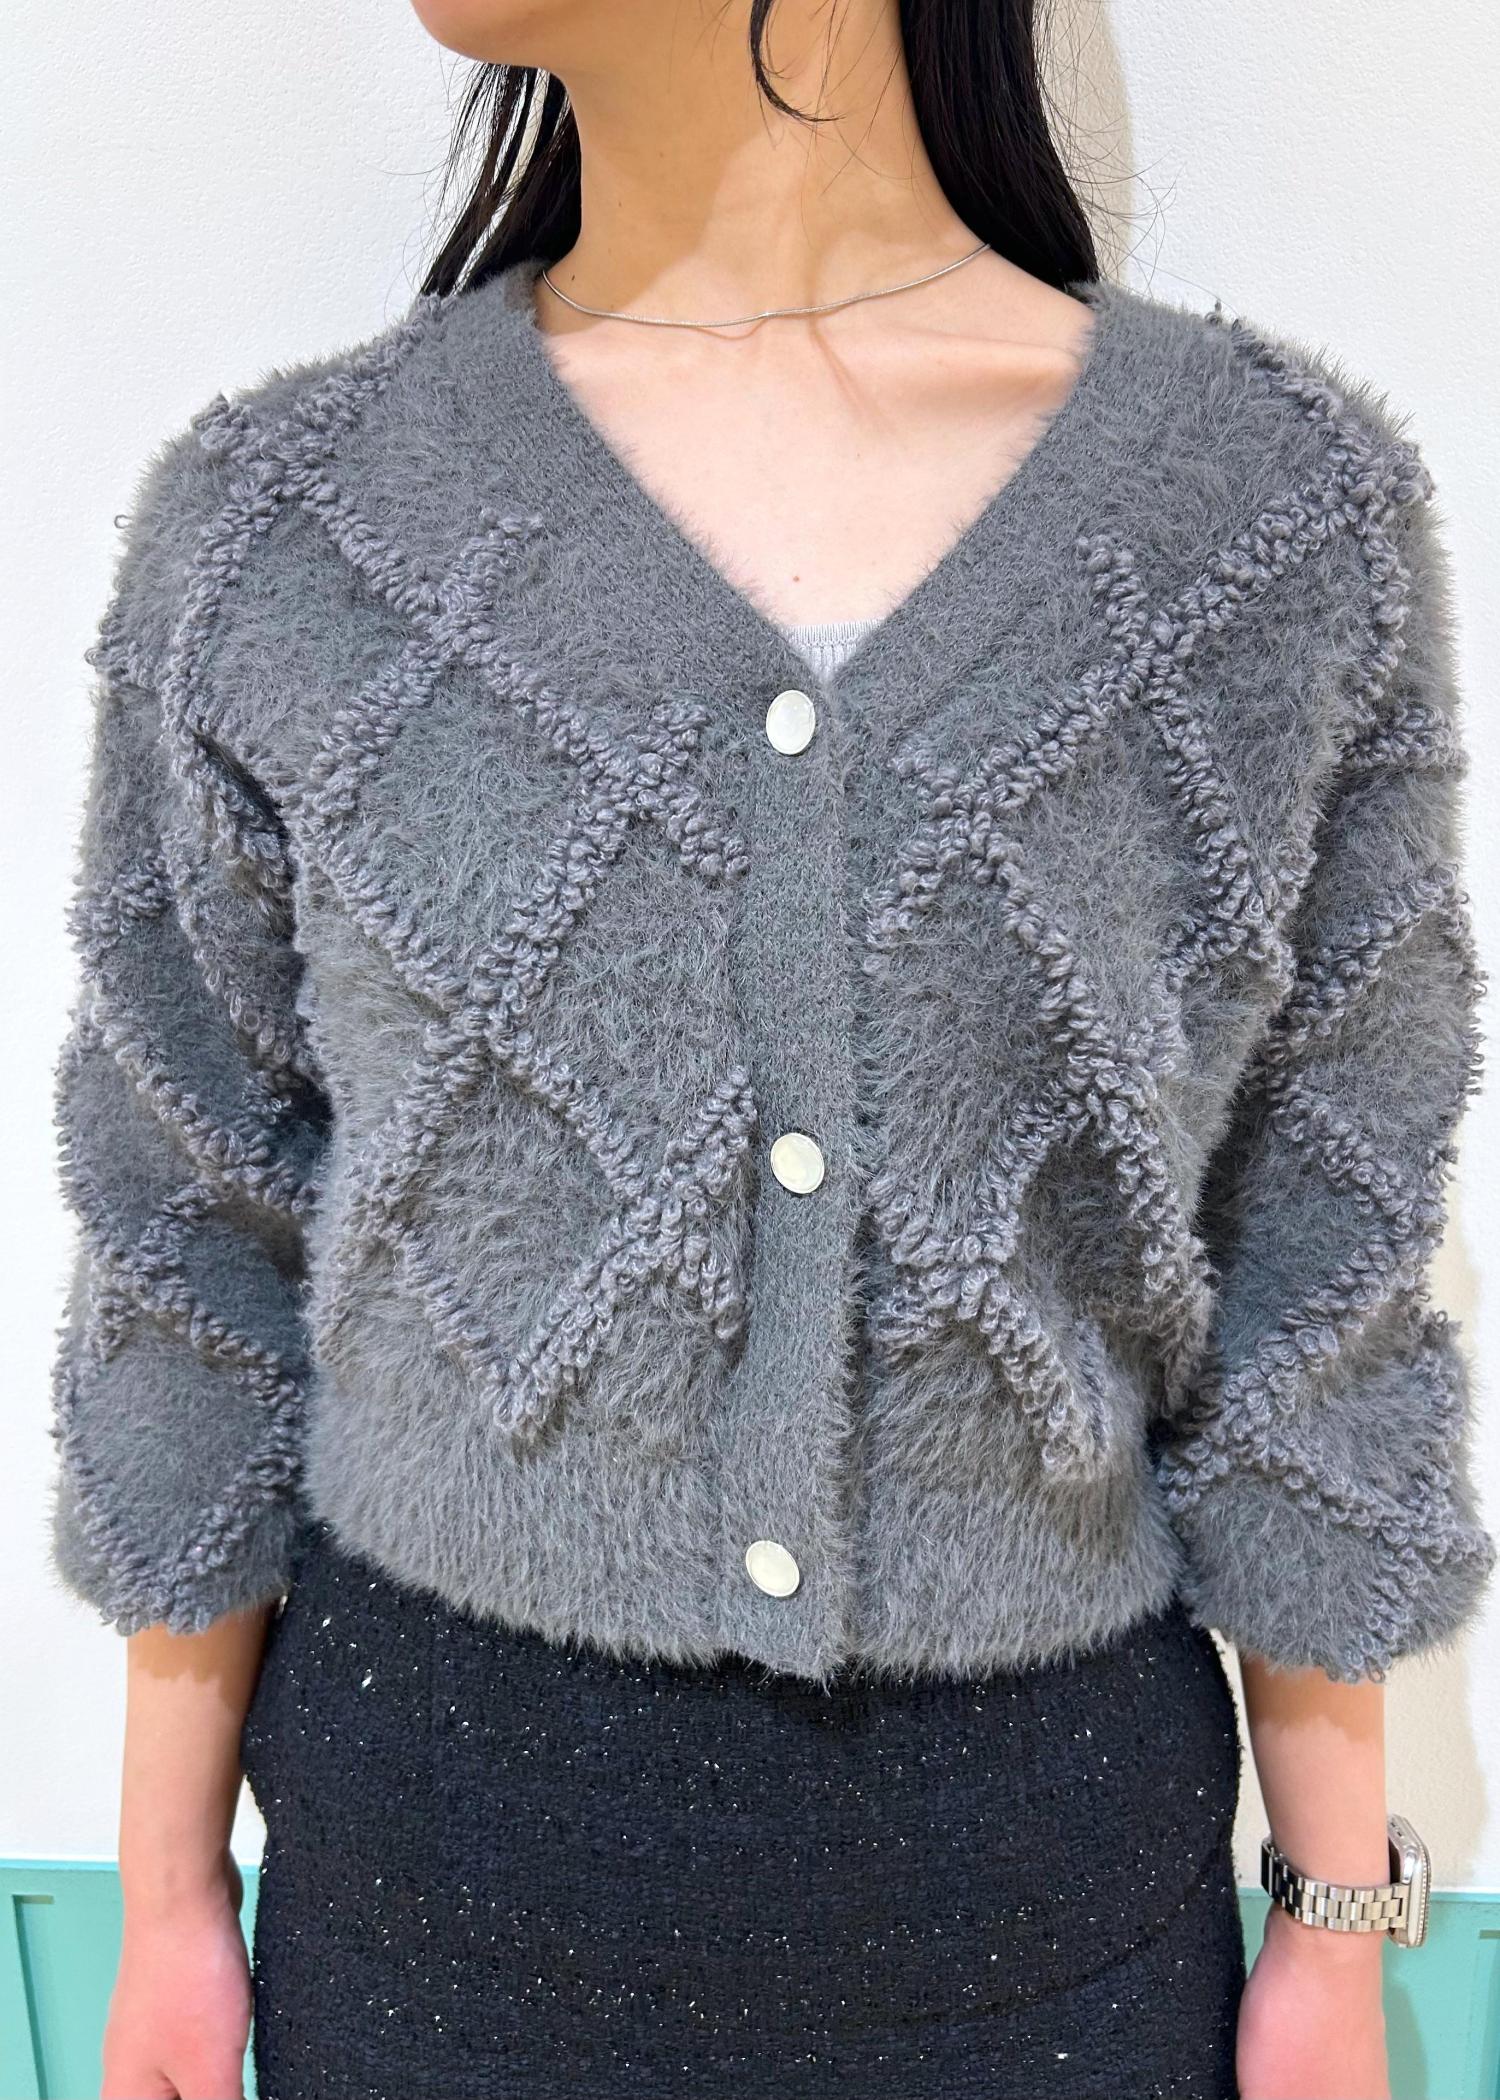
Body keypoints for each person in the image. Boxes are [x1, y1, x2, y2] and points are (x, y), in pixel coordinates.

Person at [48, 2, 1491, 2097]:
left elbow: (1316, 1276)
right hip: (430, 1927)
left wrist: (1336, 1938)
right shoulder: (283, 529)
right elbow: (192, 1252)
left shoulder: (1273, 526)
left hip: (1050, 1942)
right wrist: (168, 1901)